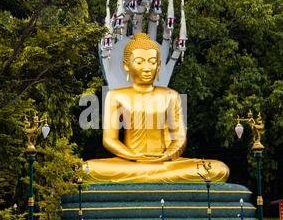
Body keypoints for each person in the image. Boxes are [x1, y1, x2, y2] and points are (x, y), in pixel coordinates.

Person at [84, 33, 229, 183]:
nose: (147, 68)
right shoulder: (115, 96)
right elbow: (109, 139)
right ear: (126, 65)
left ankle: (148, 175)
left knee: (218, 169)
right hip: (130, 163)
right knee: (86, 169)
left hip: (165, 163)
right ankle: (150, 175)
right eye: (139, 62)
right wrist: (134, 156)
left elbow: (179, 138)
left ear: (158, 65)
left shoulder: (171, 95)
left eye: (152, 62)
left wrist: (167, 155)